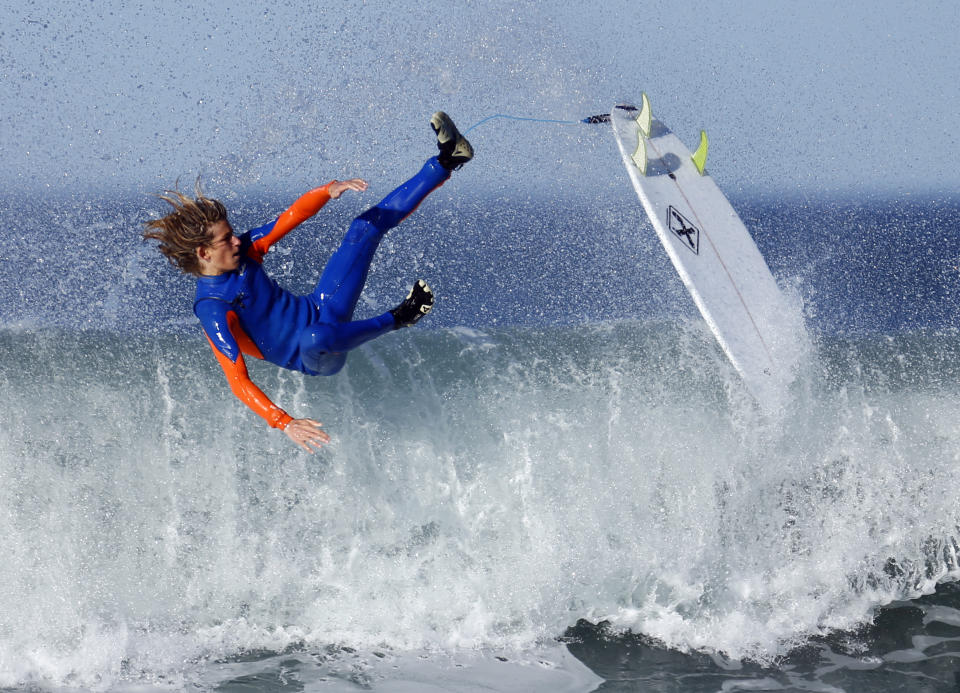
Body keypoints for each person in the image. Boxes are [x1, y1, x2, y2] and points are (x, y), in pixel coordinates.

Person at [143, 112, 473, 452]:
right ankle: (401, 317)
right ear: (204, 253)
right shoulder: (212, 309)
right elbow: (238, 381)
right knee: (317, 335)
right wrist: (283, 421)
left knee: (363, 228)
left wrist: (327, 190)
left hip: (322, 305)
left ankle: (448, 159)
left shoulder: (245, 253)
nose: (237, 241)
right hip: (314, 354)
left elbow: (291, 216)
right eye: (226, 239)